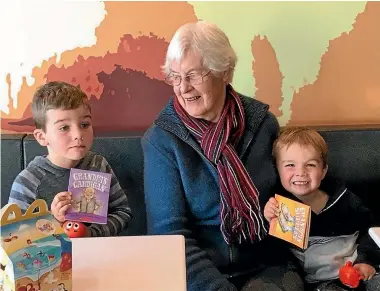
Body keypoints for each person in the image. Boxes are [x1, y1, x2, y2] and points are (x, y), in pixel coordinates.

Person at [142, 21, 304, 291]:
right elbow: (169, 236)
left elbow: (287, 199)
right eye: (176, 76)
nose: (183, 88)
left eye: (193, 75)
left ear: (225, 72)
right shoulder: (161, 140)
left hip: (267, 268)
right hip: (196, 276)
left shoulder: (263, 124)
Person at [9, 81, 132, 237]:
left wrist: (91, 233)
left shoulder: (98, 165)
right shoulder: (28, 182)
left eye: (84, 124)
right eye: (64, 128)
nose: (78, 135)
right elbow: (14, 236)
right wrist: (53, 220)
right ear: (42, 137)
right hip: (53, 259)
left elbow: (122, 212)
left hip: (98, 254)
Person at [264, 126, 380, 291]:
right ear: (277, 169)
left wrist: (366, 262)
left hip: (359, 273)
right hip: (318, 284)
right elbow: (274, 256)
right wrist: (269, 222)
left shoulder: (346, 200)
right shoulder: (278, 207)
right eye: (290, 165)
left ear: (323, 170)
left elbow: (371, 233)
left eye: (310, 165)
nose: (301, 173)